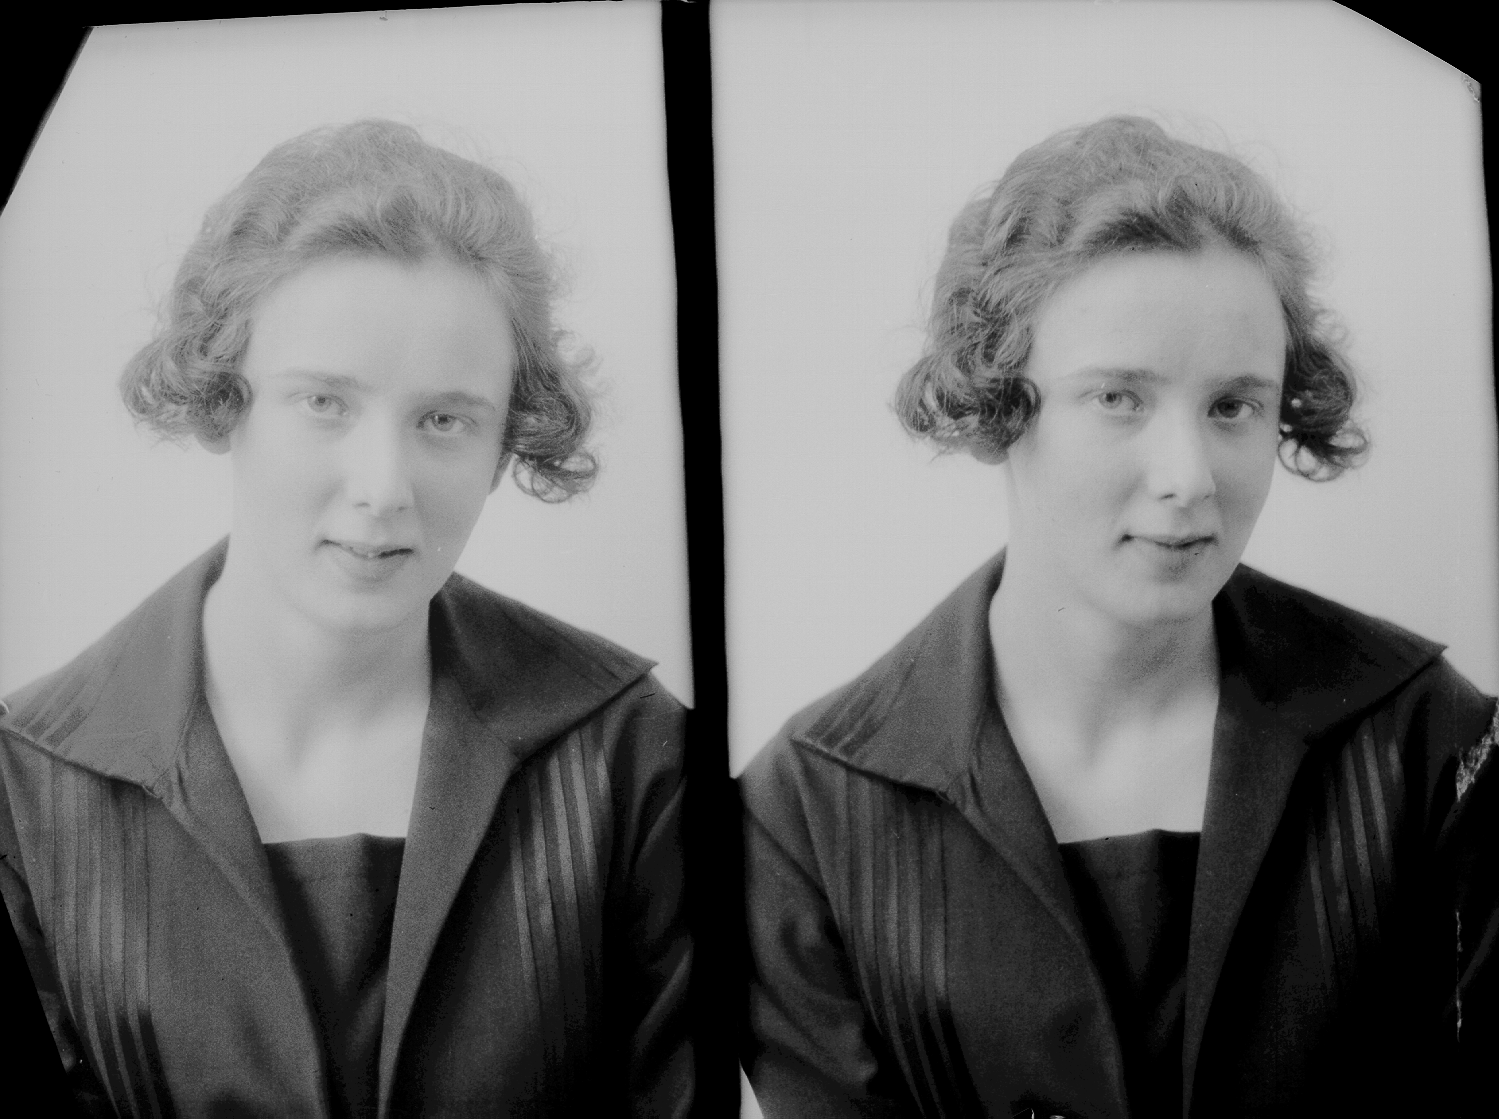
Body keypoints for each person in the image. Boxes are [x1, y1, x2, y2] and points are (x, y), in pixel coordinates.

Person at [741, 116, 1498, 1117]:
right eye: (1116, 398)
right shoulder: (803, 815)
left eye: (1232, 406)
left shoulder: (1427, 741)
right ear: (999, 404)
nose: (1188, 478)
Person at [0, 120, 692, 1117]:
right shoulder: (26, 787)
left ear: (506, 441)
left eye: (444, 420)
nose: (383, 487)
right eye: (323, 402)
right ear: (225, 399)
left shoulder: (631, 755)